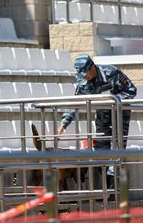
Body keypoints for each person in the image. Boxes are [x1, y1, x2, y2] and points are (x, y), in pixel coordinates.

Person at [57, 54, 137, 187]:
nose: (85, 77)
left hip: (119, 116)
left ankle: (114, 190)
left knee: (116, 152)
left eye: (86, 73)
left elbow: (131, 91)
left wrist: (112, 99)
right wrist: (64, 124)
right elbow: (75, 103)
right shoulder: (84, 82)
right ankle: (108, 186)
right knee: (101, 154)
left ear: (92, 67)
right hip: (102, 119)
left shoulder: (110, 73)